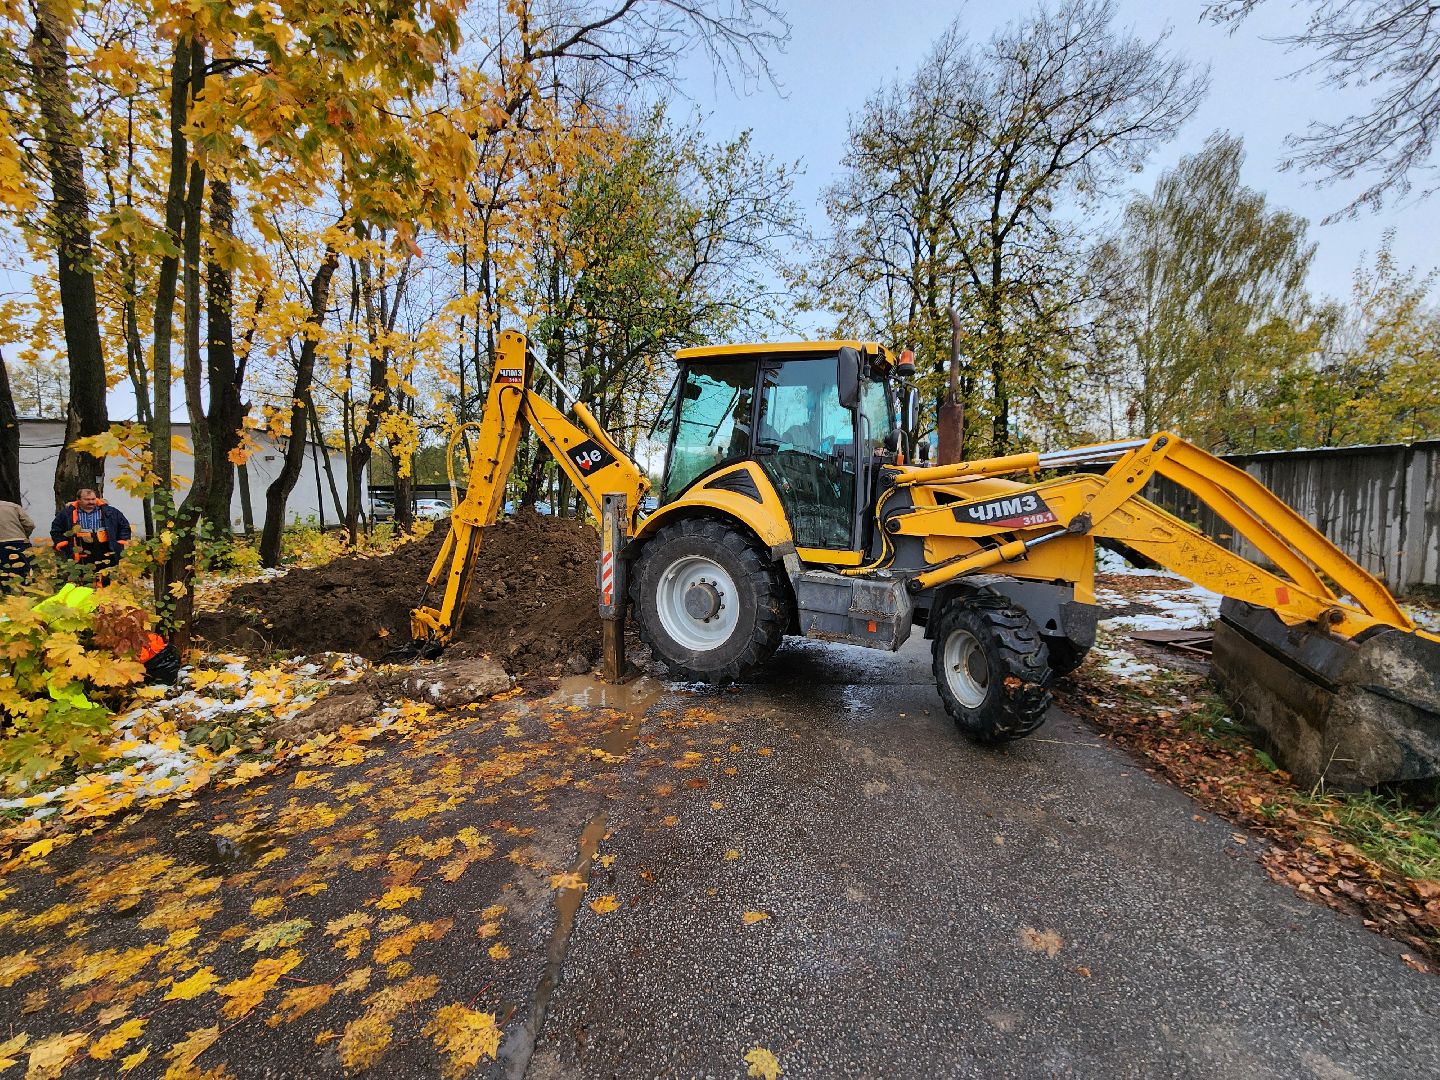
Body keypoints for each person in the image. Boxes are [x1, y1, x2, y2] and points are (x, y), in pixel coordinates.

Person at [50, 487, 131, 584]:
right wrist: (62, 543)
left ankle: (105, 593)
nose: (91, 502)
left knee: (106, 573)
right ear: (79, 499)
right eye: (87, 500)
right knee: (84, 573)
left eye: (93, 499)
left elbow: (124, 526)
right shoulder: (67, 513)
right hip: (81, 547)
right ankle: (87, 591)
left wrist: (121, 541)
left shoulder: (110, 511)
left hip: (106, 547)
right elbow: (56, 529)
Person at [0, 496, 35, 590]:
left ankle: (8, 596)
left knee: (4, 574)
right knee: (26, 572)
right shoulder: (13, 506)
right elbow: (30, 524)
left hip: (1, 545)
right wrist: (24, 536)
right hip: (20, 542)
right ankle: (28, 593)